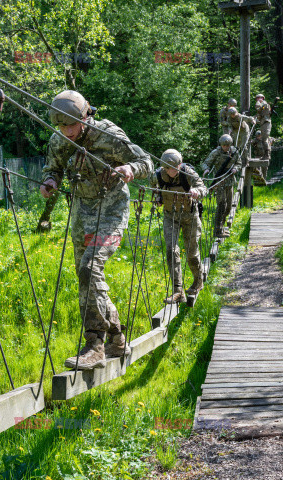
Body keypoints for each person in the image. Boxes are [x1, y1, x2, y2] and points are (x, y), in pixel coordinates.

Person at [40, 90, 153, 370]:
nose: (66, 132)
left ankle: (95, 346)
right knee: (86, 278)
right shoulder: (59, 141)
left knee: (90, 269)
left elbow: (147, 163)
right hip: (81, 213)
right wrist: (49, 181)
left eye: (71, 125)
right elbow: (52, 168)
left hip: (112, 211)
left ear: (85, 117)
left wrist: (130, 168)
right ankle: (116, 335)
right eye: (61, 126)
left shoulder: (109, 135)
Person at [151, 149, 207, 303]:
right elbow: (155, 188)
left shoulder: (187, 173)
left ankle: (198, 281)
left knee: (191, 253)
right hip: (171, 217)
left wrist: (196, 191)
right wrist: (158, 197)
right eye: (168, 168)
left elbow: (204, 188)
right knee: (171, 250)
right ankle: (178, 291)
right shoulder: (158, 175)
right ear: (163, 167)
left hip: (190, 217)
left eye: (174, 168)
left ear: (180, 164)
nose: (171, 171)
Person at [201, 134, 241, 238]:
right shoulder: (216, 153)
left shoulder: (234, 152)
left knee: (228, 207)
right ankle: (217, 231)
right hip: (219, 183)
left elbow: (239, 163)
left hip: (230, 182)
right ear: (221, 145)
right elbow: (206, 163)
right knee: (221, 205)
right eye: (224, 145)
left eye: (227, 145)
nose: (226, 147)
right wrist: (206, 169)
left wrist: (236, 168)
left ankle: (222, 227)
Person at [255, 93, 272, 161]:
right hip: (264, 123)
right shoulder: (263, 105)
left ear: (262, 98)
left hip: (266, 123)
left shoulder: (264, 104)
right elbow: (259, 113)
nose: (259, 99)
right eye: (257, 98)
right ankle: (266, 155)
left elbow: (258, 108)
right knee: (264, 140)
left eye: (260, 98)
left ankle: (267, 156)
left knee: (264, 140)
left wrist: (258, 103)